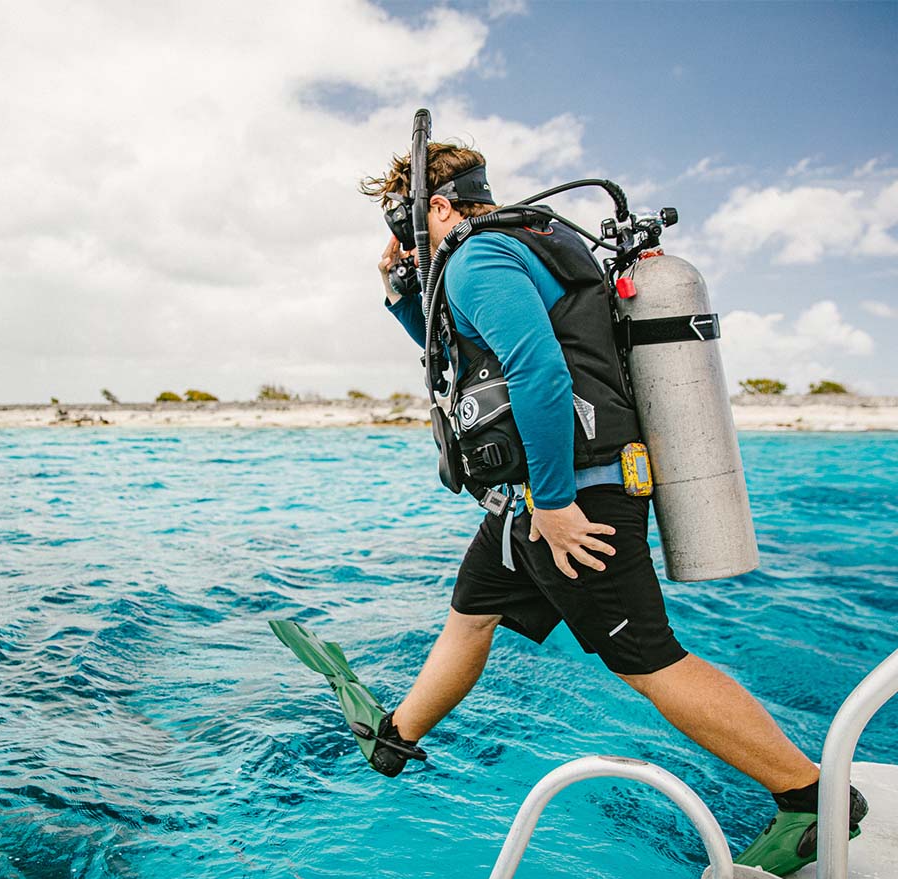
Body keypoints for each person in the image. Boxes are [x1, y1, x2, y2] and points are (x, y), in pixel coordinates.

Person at [357, 140, 870, 836]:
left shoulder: (478, 258)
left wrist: (558, 502)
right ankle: (395, 739)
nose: (405, 244)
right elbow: (460, 353)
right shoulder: (516, 248)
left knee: (650, 660)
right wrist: (398, 292)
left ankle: (812, 798)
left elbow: (538, 375)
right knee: (471, 615)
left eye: (404, 227)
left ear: (438, 207)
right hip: (525, 503)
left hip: (569, 497)